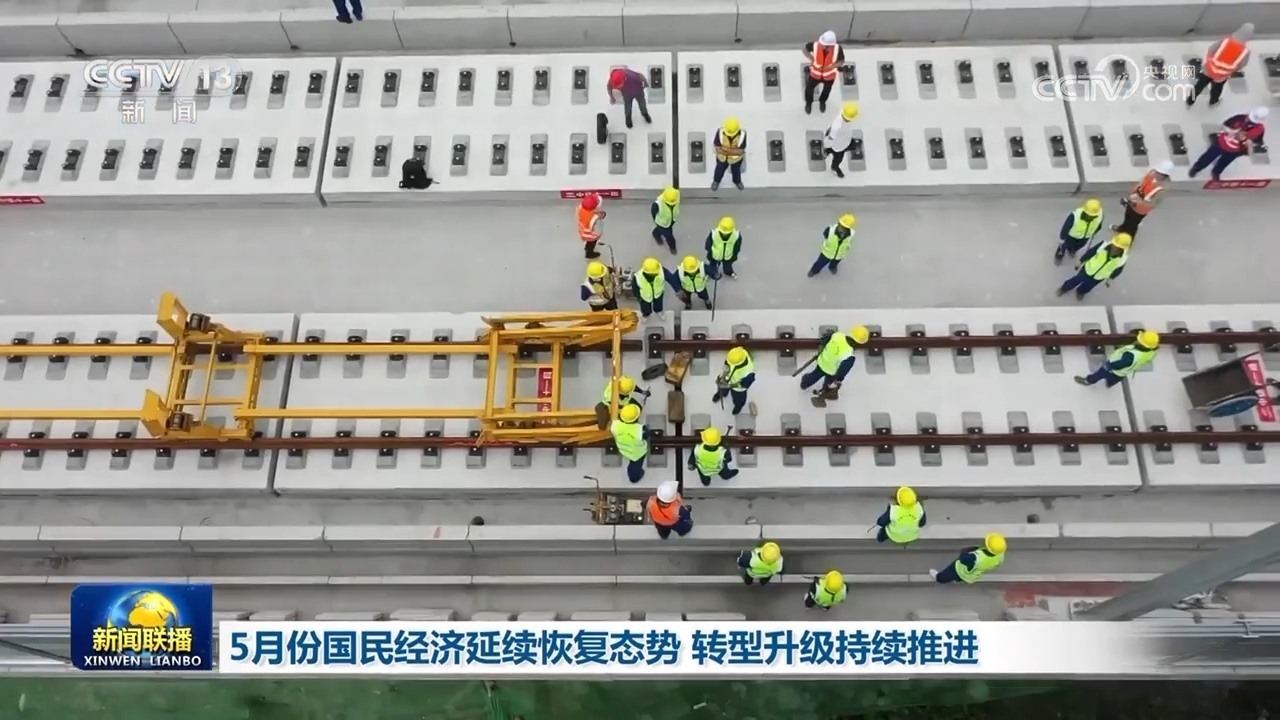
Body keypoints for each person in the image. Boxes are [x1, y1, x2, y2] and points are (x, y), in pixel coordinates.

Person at [1189, 107, 1268, 181]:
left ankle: (1216, 172)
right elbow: (1224, 125)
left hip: (1235, 151)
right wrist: (1231, 131)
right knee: (1207, 157)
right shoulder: (1239, 118)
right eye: (1250, 119)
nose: (1250, 122)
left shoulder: (1260, 129)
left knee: (1224, 163)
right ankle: (1196, 168)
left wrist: (1249, 143)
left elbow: (1257, 142)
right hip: (1221, 143)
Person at [1186, 23, 1253, 108]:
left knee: (1199, 85)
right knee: (1216, 89)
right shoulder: (1245, 51)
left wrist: (1210, 60)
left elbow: (1211, 49)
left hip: (1209, 69)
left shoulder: (1225, 41)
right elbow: (1243, 64)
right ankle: (1213, 102)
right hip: (1222, 75)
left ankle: (1190, 101)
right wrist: (1232, 69)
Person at [1056, 232, 1131, 300]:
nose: (1114, 247)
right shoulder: (1103, 245)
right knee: (1076, 280)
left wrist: (1110, 278)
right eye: (1114, 245)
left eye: (1117, 247)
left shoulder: (1123, 258)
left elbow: (1118, 270)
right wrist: (1081, 261)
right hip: (1088, 269)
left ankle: (1081, 291)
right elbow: (1090, 252)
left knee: (1088, 286)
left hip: (1099, 277)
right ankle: (1064, 288)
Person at [799, 326, 869, 398]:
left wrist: (821, 350)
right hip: (832, 371)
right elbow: (843, 370)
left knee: (815, 375)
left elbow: (826, 339)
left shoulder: (838, 335)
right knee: (829, 382)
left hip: (822, 361)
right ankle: (826, 391)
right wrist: (838, 379)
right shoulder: (849, 354)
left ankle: (804, 383)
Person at [1074, 330, 1159, 388]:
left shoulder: (1131, 355)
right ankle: (1109, 384)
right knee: (1114, 380)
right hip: (1123, 373)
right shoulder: (1151, 352)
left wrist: (1109, 366)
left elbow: (1120, 364)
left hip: (1113, 369)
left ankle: (1088, 381)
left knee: (1099, 374)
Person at [1112, 162, 1170, 238]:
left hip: (1141, 210)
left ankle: (1128, 238)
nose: (1155, 173)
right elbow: (1142, 182)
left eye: (1158, 172)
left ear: (1163, 175)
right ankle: (1122, 228)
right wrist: (1132, 193)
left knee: (1132, 225)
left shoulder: (1161, 189)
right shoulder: (1152, 173)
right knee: (1127, 217)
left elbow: (1152, 204)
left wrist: (1139, 201)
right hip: (1133, 201)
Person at [930, 534, 1006, 585]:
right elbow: (998, 563)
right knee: (960, 578)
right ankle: (958, 580)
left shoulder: (976, 557)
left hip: (959, 570)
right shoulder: (1000, 556)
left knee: (945, 576)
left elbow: (962, 559)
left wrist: (967, 550)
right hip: (972, 575)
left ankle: (938, 578)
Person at [802, 31, 844, 115]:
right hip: (815, 74)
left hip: (829, 75)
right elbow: (804, 48)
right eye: (823, 44)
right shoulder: (816, 45)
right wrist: (811, 58)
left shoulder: (837, 49)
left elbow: (841, 61)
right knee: (809, 88)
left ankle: (822, 101)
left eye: (826, 46)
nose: (824, 46)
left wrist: (832, 66)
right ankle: (809, 103)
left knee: (826, 90)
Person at [1054, 199, 1103, 265]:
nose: (1091, 217)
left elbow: (1099, 224)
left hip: (1085, 237)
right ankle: (1060, 252)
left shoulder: (1099, 214)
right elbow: (1065, 227)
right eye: (1089, 215)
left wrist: (1096, 230)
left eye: (1094, 216)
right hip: (1071, 236)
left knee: (1080, 246)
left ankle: (1072, 250)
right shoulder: (1075, 216)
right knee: (1065, 245)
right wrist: (1062, 238)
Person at [610, 403, 650, 483]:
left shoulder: (615, 425)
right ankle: (634, 478)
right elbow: (647, 435)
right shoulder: (640, 430)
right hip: (637, 452)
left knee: (633, 463)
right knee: (635, 466)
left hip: (622, 448)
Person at [712, 346, 755, 415]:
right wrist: (722, 377)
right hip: (727, 379)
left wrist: (729, 386)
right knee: (721, 389)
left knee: (739, 399)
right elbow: (726, 366)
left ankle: (738, 407)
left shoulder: (749, 373)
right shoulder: (735, 354)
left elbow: (743, 385)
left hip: (738, 388)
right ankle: (720, 394)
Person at [824, 102, 859, 178]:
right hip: (838, 147)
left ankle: (828, 151)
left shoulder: (843, 112)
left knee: (853, 146)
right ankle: (834, 167)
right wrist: (826, 145)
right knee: (838, 159)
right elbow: (830, 139)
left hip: (846, 139)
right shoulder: (837, 127)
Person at [711, 118, 746, 191]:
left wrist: (725, 149)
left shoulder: (742, 134)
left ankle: (737, 181)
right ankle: (716, 181)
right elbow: (717, 149)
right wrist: (733, 151)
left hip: (736, 159)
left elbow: (740, 151)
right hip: (722, 158)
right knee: (719, 171)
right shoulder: (720, 132)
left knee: (736, 172)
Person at [651, 187, 680, 254]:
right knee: (670, 237)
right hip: (662, 223)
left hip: (671, 220)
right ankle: (672, 247)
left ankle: (655, 233)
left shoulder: (676, 195)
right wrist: (656, 221)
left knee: (660, 230)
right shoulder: (657, 204)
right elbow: (653, 213)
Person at [577, 193, 605, 259]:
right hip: (591, 235)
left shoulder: (581, 208)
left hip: (582, 230)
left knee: (588, 242)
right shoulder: (594, 216)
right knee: (591, 243)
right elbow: (597, 227)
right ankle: (589, 254)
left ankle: (587, 247)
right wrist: (598, 234)